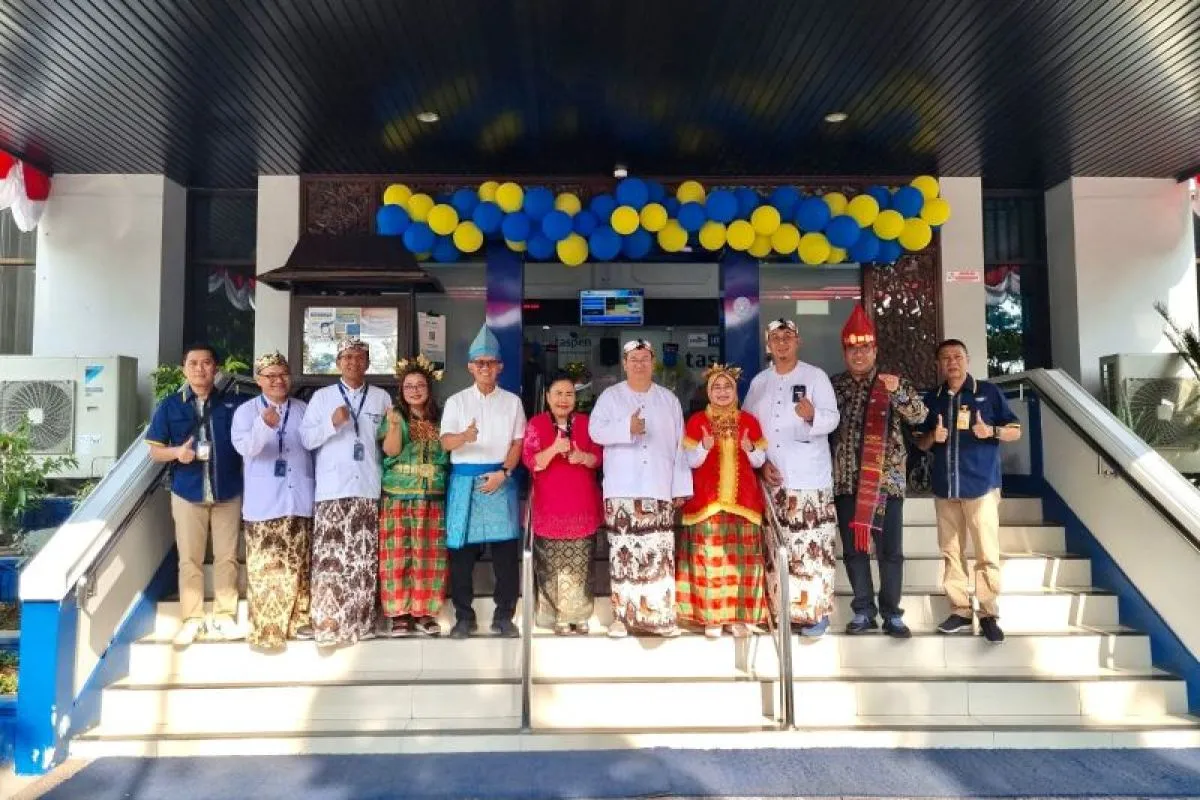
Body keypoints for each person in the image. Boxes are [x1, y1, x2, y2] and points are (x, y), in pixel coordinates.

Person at [830, 305, 928, 639]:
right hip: (846, 483)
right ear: (845, 353)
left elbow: (920, 416)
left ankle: (892, 613)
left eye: (865, 348)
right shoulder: (834, 386)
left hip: (886, 485)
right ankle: (863, 611)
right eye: (852, 349)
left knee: (890, 553)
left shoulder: (893, 383)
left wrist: (898, 391)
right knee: (854, 551)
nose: (858, 355)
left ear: (875, 351)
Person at [916, 338, 1021, 644]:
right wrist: (932, 437)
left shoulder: (988, 392)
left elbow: (1015, 430)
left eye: (957, 356)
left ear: (967, 359)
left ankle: (988, 613)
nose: (952, 362)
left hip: (981, 486)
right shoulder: (932, 399)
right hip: (945, 487)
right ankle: (960, 610)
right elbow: (919, 442)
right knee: (951, 552)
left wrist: (991, 431)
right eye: (946, 358)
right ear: (939, 364)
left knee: (986, 552)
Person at [589, 339, 692, 638]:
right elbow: (595, 431)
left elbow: (681, 445)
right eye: (633, 359)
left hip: (658, 487)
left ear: (653, 362)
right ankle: (622, 618)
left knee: (658, 553)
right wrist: (626, 427)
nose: (639, 364)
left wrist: (680, 486)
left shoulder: (668, 399)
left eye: (644, 358)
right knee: (623, 554)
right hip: (622, 489)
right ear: (624, 364)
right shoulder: (611, 397)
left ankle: (660, 616)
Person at [744, 318, 840, 637]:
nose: (782, 342)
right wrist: (760, 466)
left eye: (788, 336)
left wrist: (813, 415)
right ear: (768, 344)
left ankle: (815, 613)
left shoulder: (815, 377)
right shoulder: (760, 382)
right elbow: (748, 429)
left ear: (798, 341)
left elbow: (832, 419)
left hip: (809, 479)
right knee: (776, 548)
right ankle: (780, 611)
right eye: (776, 337)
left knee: (811, 547)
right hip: (772, 480)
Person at [146, 343, 247, 646]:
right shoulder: (169, 406)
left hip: (227, 489)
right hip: (187, 491)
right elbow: (155, 452)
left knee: (227, 557)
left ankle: (225, 616)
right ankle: (191, 619)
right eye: (193, 363)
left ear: (216, 368)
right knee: (189, 559)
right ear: (184, 369)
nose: (200, 369)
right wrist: (177, 452)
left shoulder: (234, 403)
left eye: (206, 363)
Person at [299, 338, 392, 647]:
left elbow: (388, 442)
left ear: (368, 363)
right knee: (331, 559)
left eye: (360, 357)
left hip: (367, 486)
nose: (354, 362)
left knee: (362, 560)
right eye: (348, 357)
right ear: (338, 362)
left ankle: (361, 622)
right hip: (332, 489)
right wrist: (331, 423)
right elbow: (306, 439)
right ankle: (328, 623)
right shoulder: (322, 397)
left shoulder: (381, 397)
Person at [440, 325, 526, 639]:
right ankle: (464, 617)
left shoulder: (512, 402)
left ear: (500, 366)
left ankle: (504, 617)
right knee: (461, 558)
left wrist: (504, 472)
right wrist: (465, 436)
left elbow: (518, 442)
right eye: (480, 363)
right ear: (470, 367)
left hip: (500, 479)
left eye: (491, 362)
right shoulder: (456, 402)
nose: (485, 368)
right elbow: (445, 442)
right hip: (465, 483)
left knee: (505, 556)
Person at [678, 364, 770, 638]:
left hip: (744, 504)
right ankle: (712, 618)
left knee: (741, 565)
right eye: (716, 387)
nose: (722, 392)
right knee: (710, 563)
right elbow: (690, 461)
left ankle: (738, 618)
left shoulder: (749, 421)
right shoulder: (697, 421)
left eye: (727, 386)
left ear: (735, 391)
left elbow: (759, 461)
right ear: (708, 392)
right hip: (707, 504)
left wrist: (749, 448)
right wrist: (704, 447)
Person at [229, 352, 314, 650]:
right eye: (271, 376)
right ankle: (267, 631)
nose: (278, 381)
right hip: (264, 504)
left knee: (299, 565)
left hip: (299, 498)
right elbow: (246, 448)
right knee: (266, 570)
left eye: (283, 375)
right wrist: (264, 425)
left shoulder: (303, 410)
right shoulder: (246, 412)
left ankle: (299, 622)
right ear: (259, 380)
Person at [521, 371, 604, 635]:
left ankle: (580, 616)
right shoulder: (536, 424)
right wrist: (554, 449)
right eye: (558, 393)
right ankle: (555, 617)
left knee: (581, 563)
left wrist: (583, 457)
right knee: (551, 564)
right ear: (547, 397)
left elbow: (599, 458)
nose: (563, 399)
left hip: (582, 505)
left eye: (569, 394)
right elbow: (531, 461)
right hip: (549, 506)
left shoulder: (587, 423)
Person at [378, 354, 451, 637]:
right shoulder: (395, 416)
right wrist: (395, 426)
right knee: (398, 555)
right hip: (398, 496)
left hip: (432, 496)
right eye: (409, 386)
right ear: (401, 390)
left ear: (429, 388)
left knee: (429, 556)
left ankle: (425, 613)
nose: (415, 390)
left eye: (420, 385)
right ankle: (400, 615)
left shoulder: (443, 419)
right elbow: (391, 451)